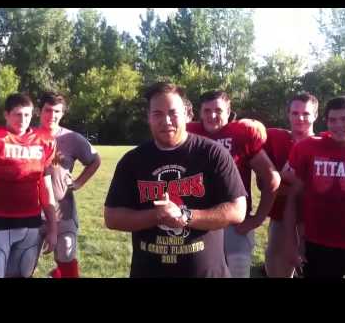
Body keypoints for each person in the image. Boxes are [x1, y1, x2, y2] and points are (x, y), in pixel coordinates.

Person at [104, 81, 247, 278]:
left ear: (188, 114)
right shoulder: (132, 161)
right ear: (148, 117)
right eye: (157, 114)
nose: (166, 120)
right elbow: (112, 217)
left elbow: (237, 210)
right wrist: (157, 216)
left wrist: (186, 216)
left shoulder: (213, 154)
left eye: (173, 112)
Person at [187, 91, 280, 278]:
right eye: (207, 110)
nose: (212, 115)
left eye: (218, 110)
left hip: (234, 221)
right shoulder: (190, 132)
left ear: (229, 112)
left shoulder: (240, 134)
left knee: (238, 272)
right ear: (200, 112)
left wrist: (257, 219)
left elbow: (272, 179)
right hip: (198, 220)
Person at [0, 93, 58, 278]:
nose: (23, 120)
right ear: (6, 114)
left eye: (27, 115)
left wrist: (53, 228)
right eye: (17, 114)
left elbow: (46, 189)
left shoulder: (44, 141)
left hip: (31, 225)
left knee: (23, 275)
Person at [284, 96, 345, 277]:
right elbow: (294, 198)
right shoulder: (308, 148)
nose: (338, 125)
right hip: (319, 244)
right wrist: (291, 243)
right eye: (332, 120)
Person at [38, 92, 101, 278]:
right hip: (31, 211)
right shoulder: (28, 136)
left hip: (63, 209)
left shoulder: (72, 138)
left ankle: (58, 274)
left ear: (62, 113)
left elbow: (95, 160)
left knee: (66, 253)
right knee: (24, 264)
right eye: (47, 110)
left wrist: (79, 182)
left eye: (56, 111)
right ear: (39, 111)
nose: (52, 115)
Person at [263, 92, 318, 277]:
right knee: (277, 269)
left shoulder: (323, 145)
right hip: (280, 214)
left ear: (315, 116)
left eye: (306, 113)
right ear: (288, 114)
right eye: (295, 113)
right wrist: (275, 175)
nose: (300, 118)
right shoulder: (275, 137)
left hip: (313, 219)